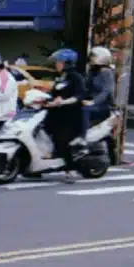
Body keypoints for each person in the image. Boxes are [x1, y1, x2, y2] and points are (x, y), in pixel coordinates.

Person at [42, 48, 85, 183]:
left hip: (70, 115)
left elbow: (79, 96)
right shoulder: (60, 77)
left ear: (67, 63)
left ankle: (70, 169)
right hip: (56, 114)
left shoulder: (76, 77)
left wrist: (64, 102)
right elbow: (53, 95)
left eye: (59, 62)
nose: (57, 64)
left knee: (62, 140)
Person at [83, 46, 115, 128]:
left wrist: (93, 102)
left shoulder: (107, 72)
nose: (90, 58)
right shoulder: (92, 72)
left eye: (93, 56)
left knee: (85, 110)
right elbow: (85, 87)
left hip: (103, 105)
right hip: (92, 103)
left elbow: (106, 92)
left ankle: (83, 134)